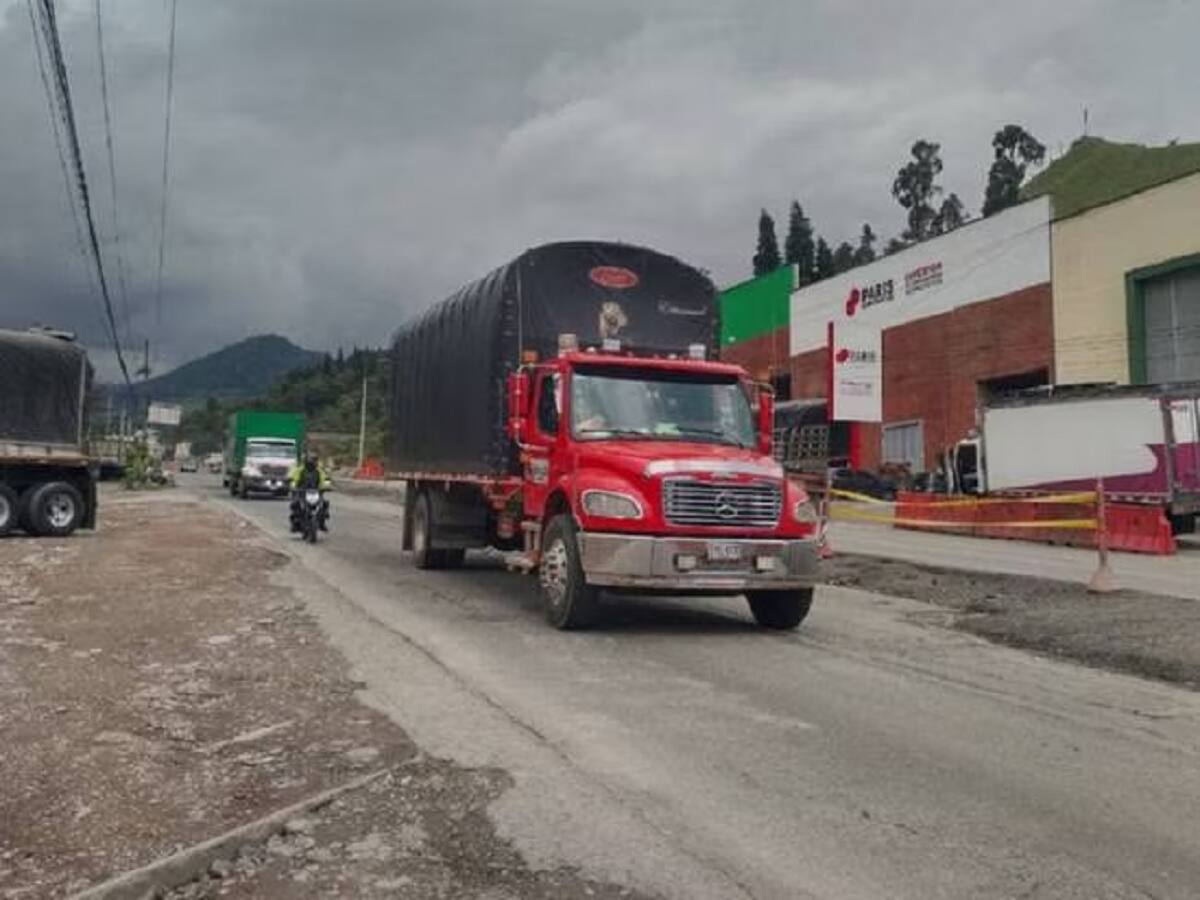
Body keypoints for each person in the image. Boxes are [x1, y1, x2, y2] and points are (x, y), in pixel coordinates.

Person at [289, 451, 331, 532]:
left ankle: (322, 523)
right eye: (311, 460)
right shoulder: (299, 470)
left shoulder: (319, 471)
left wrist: (326, 486)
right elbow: (293, 479)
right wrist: (293, 486)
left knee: (324, 504)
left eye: (315, 460)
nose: (313, 462)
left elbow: (325, 479)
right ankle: (295, 523)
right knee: (295, 504)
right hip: (302, 492)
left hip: (316, 492)